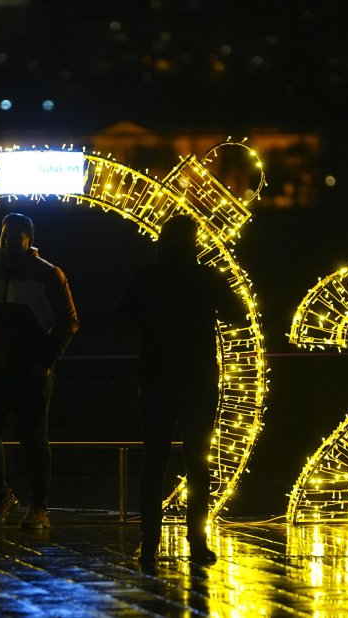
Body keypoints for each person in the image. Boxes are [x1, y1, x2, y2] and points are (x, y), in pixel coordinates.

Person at [116, 215, 246, 567]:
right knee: (198, 464)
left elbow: (121, 318)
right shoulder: (205, 277)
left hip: (155, 378)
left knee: (153, 463)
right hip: (198, 378)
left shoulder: (147, 277)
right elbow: (240, 315)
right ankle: (197, 542)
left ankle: (149, 543)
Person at [0, 213, 79, 530]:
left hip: (30, 373)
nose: (9, 240)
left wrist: (43, 363)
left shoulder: (49, 274)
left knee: (32, 439)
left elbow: (68, 323)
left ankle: (38, 507)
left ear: (30, 239)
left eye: (16, 235)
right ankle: (0, 496)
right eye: (5, 234)